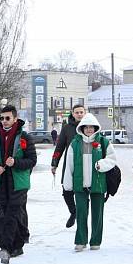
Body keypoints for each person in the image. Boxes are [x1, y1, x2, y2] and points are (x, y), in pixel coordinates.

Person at [0, 105, 37, 264]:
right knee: (7, 210)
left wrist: (16, 162)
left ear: (15, 119)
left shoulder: (24, 137)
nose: (4, 121)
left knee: (12, 212)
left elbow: (32, 160)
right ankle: (18, 245)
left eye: (7, 118)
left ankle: (5, 247)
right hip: (1, 181)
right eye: (2, 118)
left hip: (18, 182)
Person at [62, 113, 117, 251]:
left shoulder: (103, 142)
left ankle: (95, 241)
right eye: (86, 127)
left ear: (96, 128)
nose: (89, 130)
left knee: (97, 213)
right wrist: (67, 184)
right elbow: (69, 165)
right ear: (81, 128)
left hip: (98, 183)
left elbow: (112, 159)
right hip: (80, 184)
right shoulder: (75, 143)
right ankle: (80, 240)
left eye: (91, 127)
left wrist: (102, 164)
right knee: (81, 212)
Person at [51, 104, 86, 228]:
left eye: (81, 112)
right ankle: (73, 212)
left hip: (86, 164)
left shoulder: (89, 126)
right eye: (77, 112)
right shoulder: (66, 128)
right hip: (70, 164)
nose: (79, 114)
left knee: (84, 191)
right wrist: (54, 163)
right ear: (72, 113)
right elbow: (59, 147)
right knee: (67, 191)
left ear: (85, 113)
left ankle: (82, 217)